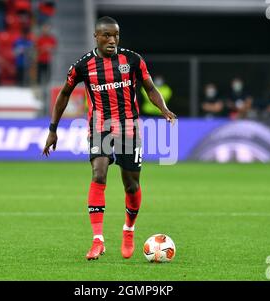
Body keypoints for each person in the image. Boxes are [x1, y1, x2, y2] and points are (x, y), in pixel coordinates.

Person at [42, 16, 176, 261]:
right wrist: (53, 129)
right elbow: (63, 95)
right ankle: (98, 240)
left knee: (131, 184)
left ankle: (128, 230)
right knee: (99, 173)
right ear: (96, 36)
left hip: (129, 126)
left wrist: (163, 109)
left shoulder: (133, 60)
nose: (112, 40)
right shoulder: (83, 66)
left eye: (115, 35)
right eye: (106, 35)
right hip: (99, 126)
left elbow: (150, 88)